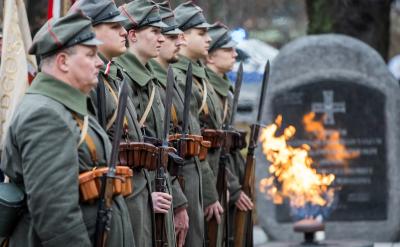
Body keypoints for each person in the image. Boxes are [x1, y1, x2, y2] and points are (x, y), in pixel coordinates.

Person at [0, 12, 135, 246]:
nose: (100, 62)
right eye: (91, 54)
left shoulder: (63, 107)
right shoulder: (45, 115)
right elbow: (55, 216)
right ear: (63, 62)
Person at [68, 1, 149, 246]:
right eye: (114, 26)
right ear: (90, 31)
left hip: (129, 195)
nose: (124, 32)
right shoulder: (88, 82)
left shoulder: (114, 76)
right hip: (105, 201)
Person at [116, 0, 187, 246]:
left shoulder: (150, 80)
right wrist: (146, 194)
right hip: (136, 198)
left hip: (159, 190)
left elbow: (160, 148)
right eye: (155, 32)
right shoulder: (121, 80)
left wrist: (176, 200)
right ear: (133, 35)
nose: (161, 38)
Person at [148, 2, 204, 246]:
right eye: (169, 36)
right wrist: (179, 201)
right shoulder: (150, 83)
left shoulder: (173, 78)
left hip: (185, 181)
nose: (178, 40)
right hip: (167, 186)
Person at [172, 2, 226, 246]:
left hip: (208, 172)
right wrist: (209, 191)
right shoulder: (180, 77)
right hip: (190, 176)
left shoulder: (196, 75)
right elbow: (196, 140)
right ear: (182, 36)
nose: (208, 38)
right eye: (201, 33)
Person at [205, 22, 254, 245]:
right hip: (218, 178)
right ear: (209, 57)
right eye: (227, 50)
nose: (234, 54)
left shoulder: (224, 87)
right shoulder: (207, 90)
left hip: (231, 171)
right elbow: (210, 148)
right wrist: (232, 189)